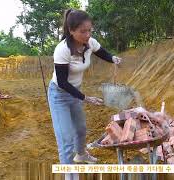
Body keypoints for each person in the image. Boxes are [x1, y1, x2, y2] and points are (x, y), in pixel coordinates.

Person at [47, 8, 122, 166]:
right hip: (59, 95)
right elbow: (62, 82)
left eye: (90, 30)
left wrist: (113, 58)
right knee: (66, 140)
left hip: (75, 93)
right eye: (83, 31)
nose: (88, 35)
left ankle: (81, 155)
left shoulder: (89, 42)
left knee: (80, 129)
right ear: (71, 31)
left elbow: (101, 52)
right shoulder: (62, 50)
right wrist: (85, 98)